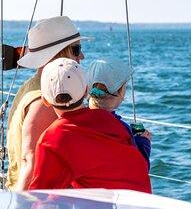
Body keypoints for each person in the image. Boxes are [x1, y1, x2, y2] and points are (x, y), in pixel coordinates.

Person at [29, 58, 151, 192]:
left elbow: (40, 196)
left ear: (44, 100)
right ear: (85, 90)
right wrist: (143, 143)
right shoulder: (113, 123)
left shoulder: (53, 138)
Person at [6, 16, 88, 191]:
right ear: (56, 54)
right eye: (76, 49)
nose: (81, 55)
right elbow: (31, 162)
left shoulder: (30, 87)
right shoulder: (47, 102)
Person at [87, 59, 151, 169]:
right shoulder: (121, 130)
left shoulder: (79, 119)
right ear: (121, 92)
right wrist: (143, 143)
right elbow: (140, 169)